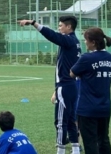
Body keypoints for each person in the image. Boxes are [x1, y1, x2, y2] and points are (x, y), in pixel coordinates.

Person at [19, 16, 81, 154]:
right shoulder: (75, 41)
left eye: (60, 26)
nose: (59, 28)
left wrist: (33, 23)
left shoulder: (68, 40)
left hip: (64, 86)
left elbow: (52, 35)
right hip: (72, 86)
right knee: (71, 119)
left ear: (69, 27)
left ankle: (60, 151)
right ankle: (76, 149)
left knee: (60, 121)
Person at [70, 27, 111, 154]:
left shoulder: (86, 58)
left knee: (90, 142)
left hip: (87, 108)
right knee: (104, 140)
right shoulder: (110, 58)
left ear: (93, 42)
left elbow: (71, 74)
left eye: (86, 40)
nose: (85, 42)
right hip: (105, 107)